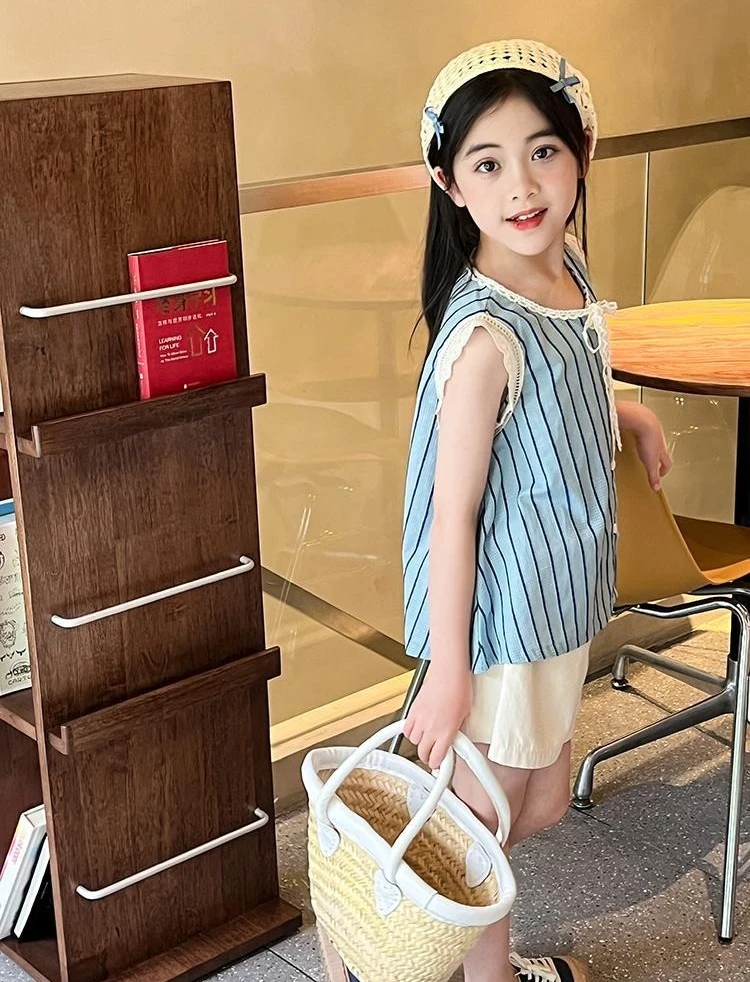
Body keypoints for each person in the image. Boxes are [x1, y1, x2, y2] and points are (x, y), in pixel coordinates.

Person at [401, 40, 672, 982]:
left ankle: (437, 956)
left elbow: (569, 380)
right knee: (486, 818)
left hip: (559, 596)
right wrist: (448, 673)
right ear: (450, 184)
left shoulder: (567, 272)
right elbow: (452, 515)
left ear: (581, 153)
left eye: (543, 151)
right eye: (487, 163)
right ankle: (475, 972)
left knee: (539, 802)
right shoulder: (482, 338)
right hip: (506, 621)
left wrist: (629, 414)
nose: (521, 185)